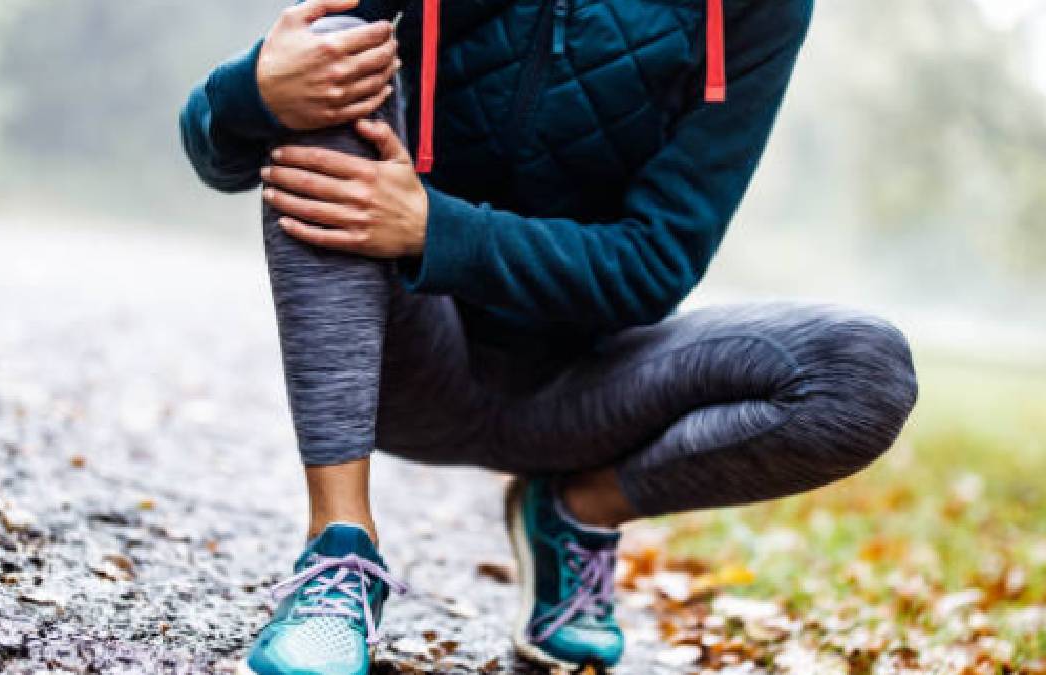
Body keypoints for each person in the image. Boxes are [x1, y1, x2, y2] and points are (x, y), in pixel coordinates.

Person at [180, 0, 918, 672]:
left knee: (863, 368)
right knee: (334, 54)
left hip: (585, 397)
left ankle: (576, 510)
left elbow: (659, 260)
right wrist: (253, 93)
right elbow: (220, 150)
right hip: (404, 363)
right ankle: (338, 554)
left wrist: (437, 228)